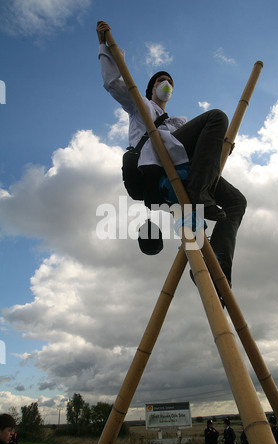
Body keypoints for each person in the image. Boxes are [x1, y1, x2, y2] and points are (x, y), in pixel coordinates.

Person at [97, 21, 247, 286]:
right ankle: (199, 194)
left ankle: (220, 262)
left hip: (190, 171)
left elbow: (201, 152)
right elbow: (113, 82)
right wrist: (106, 47)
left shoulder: (178, 121)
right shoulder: (141, 106)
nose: (165, 83)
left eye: (169, 81)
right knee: (216, 117)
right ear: (150, 88)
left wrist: (222, 149)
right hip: (161, 165)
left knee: (237, 202)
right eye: (160, 80)